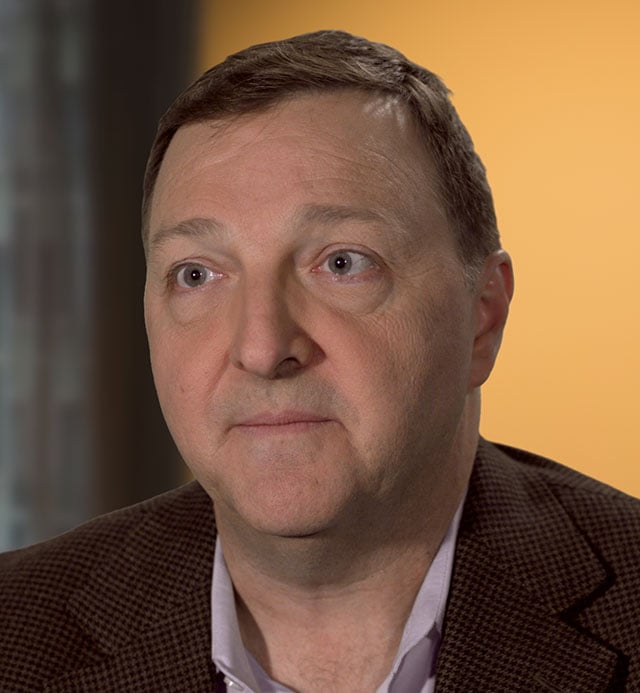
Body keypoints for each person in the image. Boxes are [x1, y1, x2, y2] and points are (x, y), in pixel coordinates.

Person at [1, 30, 639, 692]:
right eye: (196, 274)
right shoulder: (13, 629)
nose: (262, 349)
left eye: (342, 263)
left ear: (483, 315)